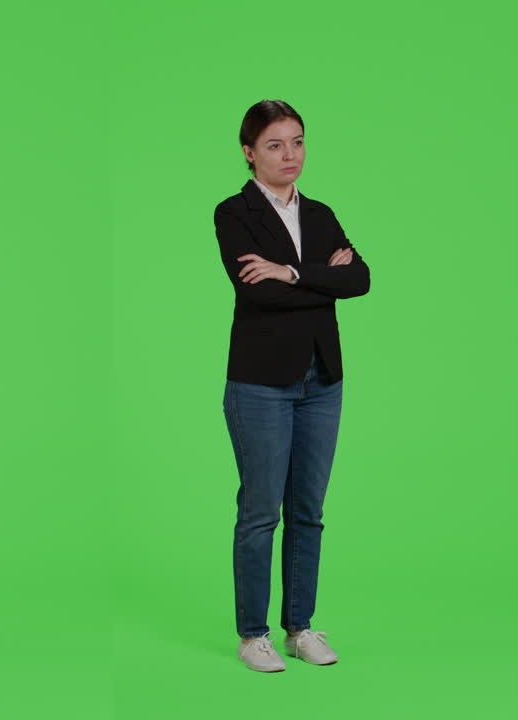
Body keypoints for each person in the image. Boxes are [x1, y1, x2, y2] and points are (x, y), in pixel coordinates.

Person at [214, 99, 370, 672]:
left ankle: (300, 627)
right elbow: (256, 291)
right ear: (249, 152)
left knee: (308, 509)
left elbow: (360, 278)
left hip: (322, 378)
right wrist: (322, 278)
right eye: (275, 145)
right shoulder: (234, 213)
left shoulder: (321, 213)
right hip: (260, 382)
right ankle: (252, 634)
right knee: (260, 511)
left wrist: (292, 271)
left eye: (298, 142)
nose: (290, 155)